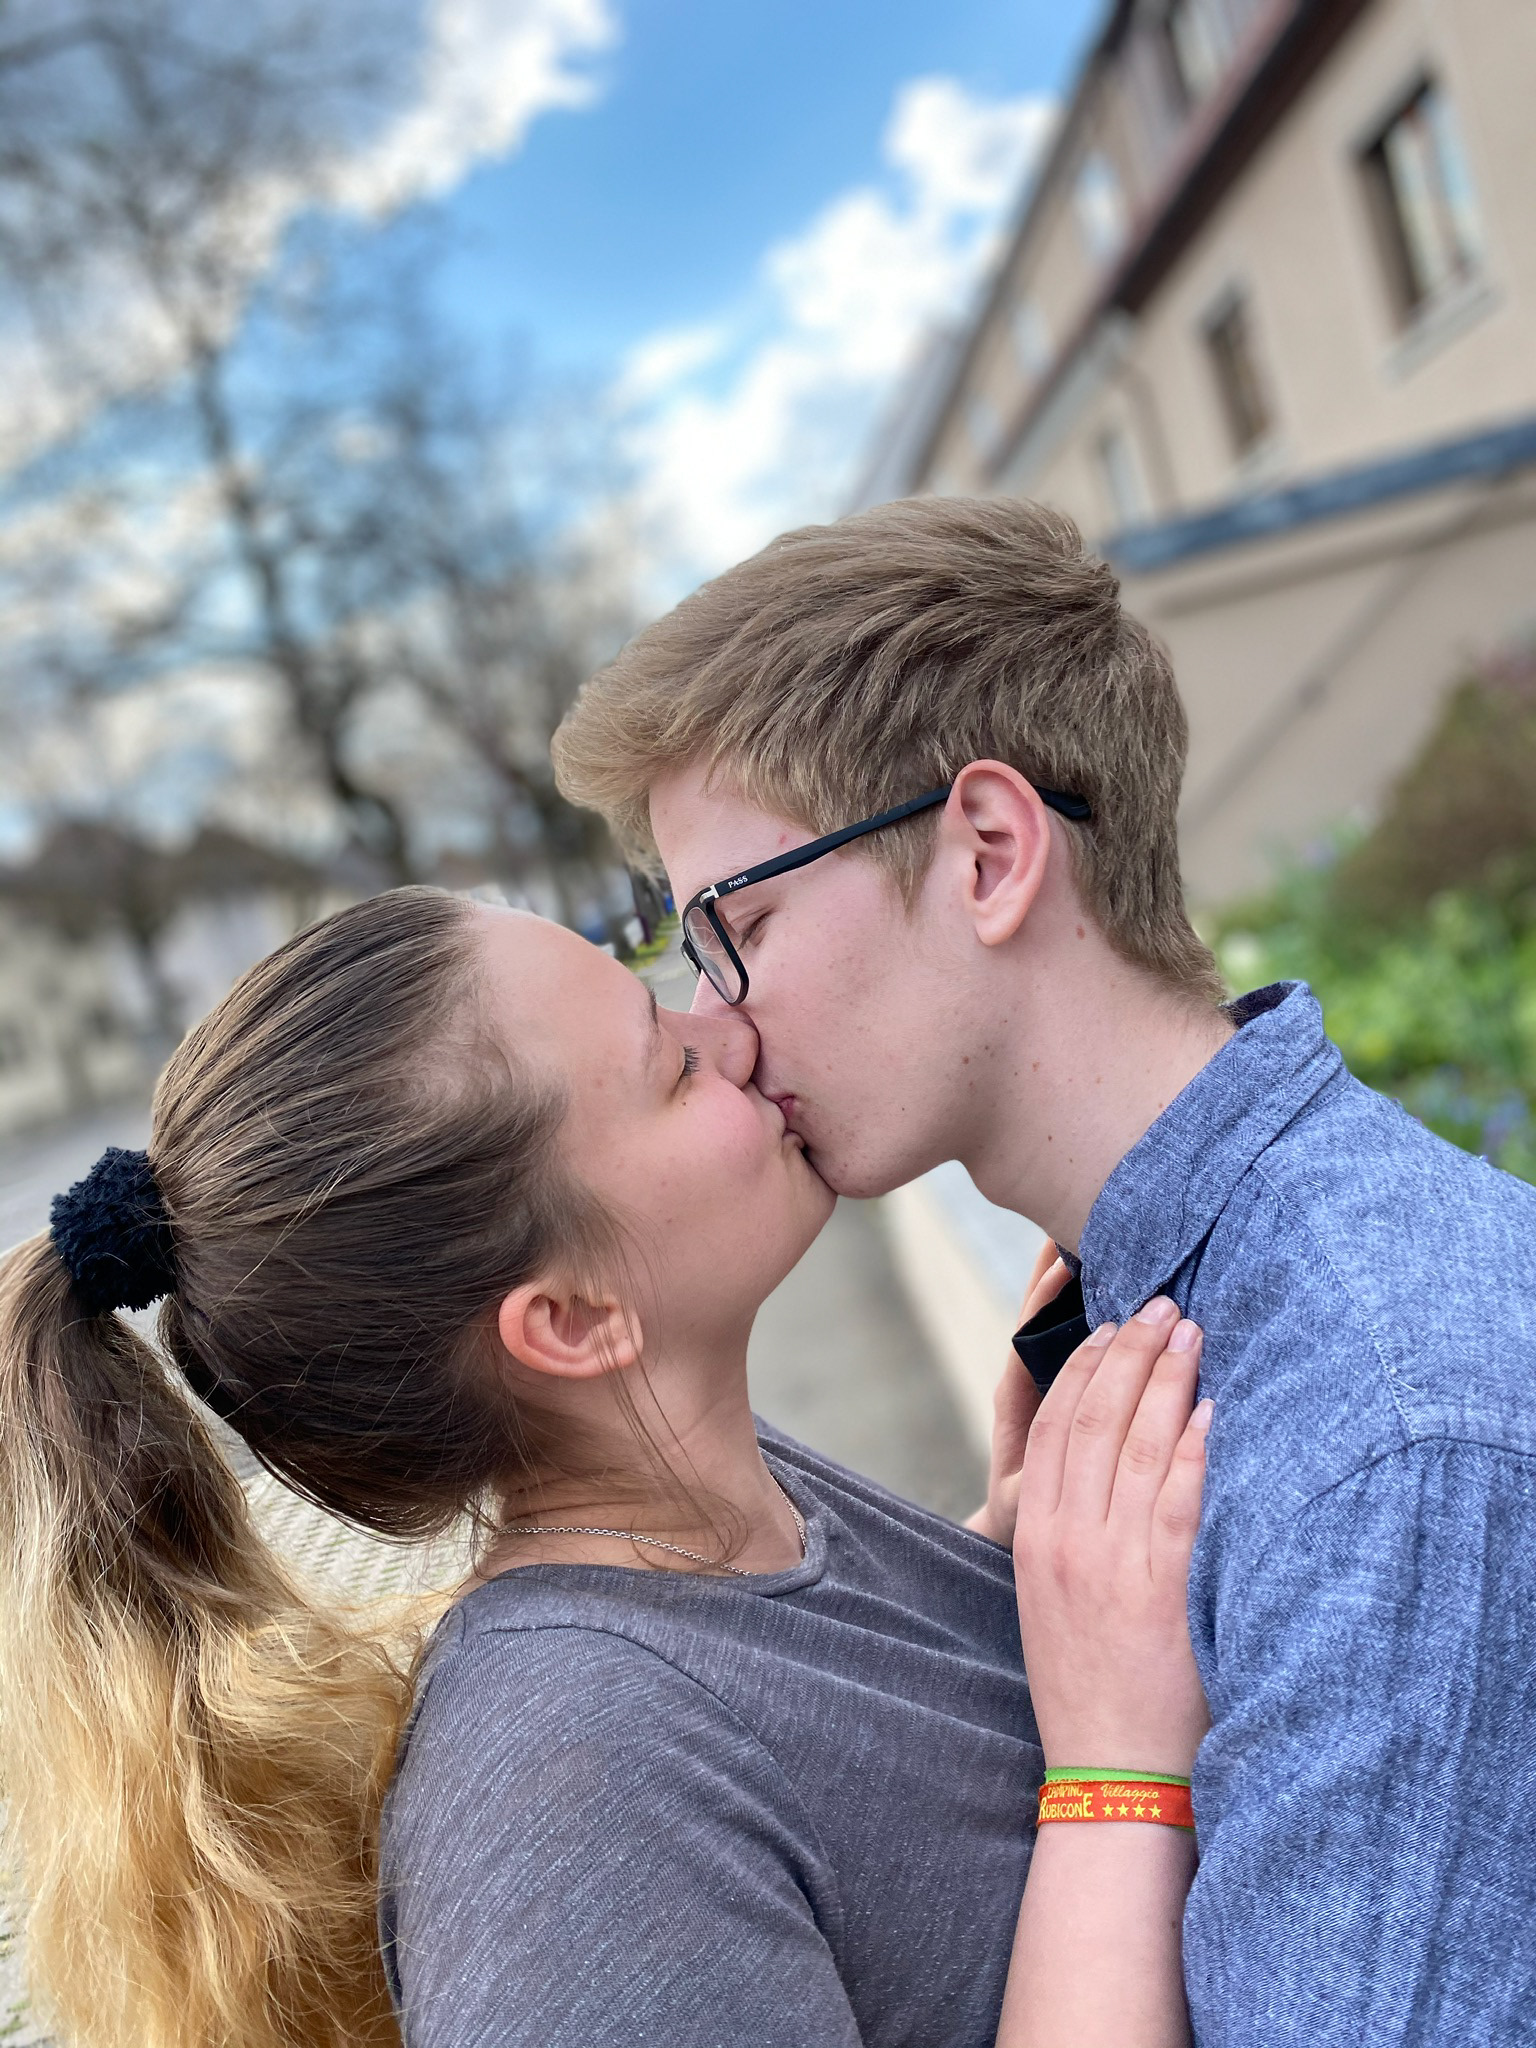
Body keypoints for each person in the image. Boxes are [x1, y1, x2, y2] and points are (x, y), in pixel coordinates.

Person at [551, 492, 1536, 2048]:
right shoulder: (1167, 1312)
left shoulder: (1386, 1436)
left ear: (991, 853)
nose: (718, 1022)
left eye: (739, 925)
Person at [0, 885, 1212, 2048]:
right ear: (573, 1321)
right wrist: (1117, 1765)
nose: (729, 1029)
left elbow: (839, 1777)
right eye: (670, 1064)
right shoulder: (568, 1796)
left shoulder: (715, 1508)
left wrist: (1007, 1555)